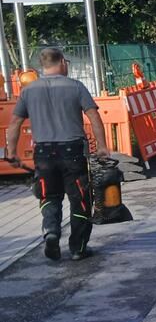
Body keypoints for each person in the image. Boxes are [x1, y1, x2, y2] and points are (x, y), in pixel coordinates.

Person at [4, 48, 110, 261]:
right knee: (79, 199)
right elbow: (94, 117)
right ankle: (78, 248)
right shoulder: (76, 87)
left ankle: (51, 231)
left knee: (49, 195)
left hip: (43, 154)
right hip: (72, 152)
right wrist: (102, 146)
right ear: (62, 62)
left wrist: (12, 152)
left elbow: (14, 123)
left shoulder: (29, 90)